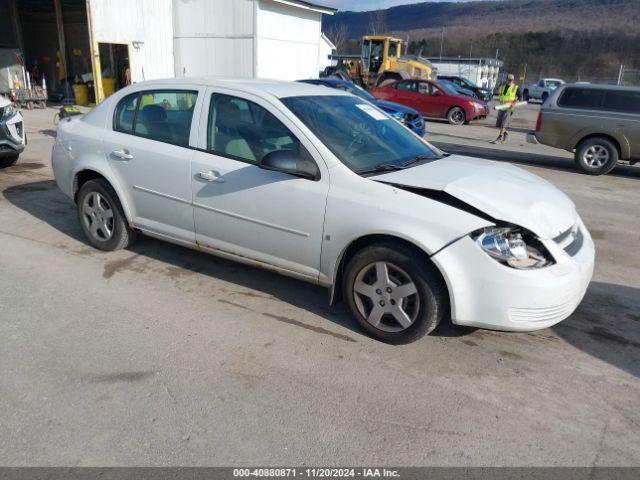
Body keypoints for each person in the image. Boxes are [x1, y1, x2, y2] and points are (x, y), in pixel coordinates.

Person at [492, 73, 522, 144]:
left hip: (509, 108)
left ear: (513, 80)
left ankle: (499, 138)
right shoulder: (502, 87)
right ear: (506, 80)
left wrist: (515, 102)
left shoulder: (515, 87)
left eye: (511, 80)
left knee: (504, 123)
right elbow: (499, 94)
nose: (510, 81)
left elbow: (520, 97)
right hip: (502, 107)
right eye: (509, 80)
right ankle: (506, 135)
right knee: (499, 124)